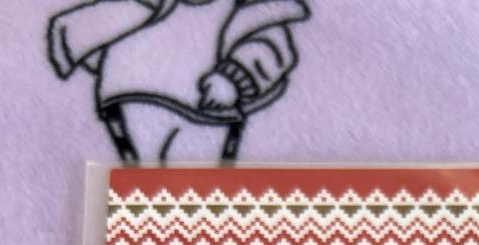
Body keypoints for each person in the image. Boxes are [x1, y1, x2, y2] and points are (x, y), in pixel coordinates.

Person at [47, 0, 310, 163]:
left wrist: (235, 77)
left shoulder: (251, 8)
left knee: (196, 190)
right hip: (131, 98)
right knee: (146, 185)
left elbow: (268, 45)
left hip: (207, 113)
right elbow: (98, 25)